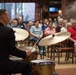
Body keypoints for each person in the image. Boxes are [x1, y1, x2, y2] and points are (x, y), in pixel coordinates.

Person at [0, 9, 31, 75]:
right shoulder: (8, 31)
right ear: (3, 17)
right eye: (7, 15)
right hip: (3, 64)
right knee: (26, 66)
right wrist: (24, 53)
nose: (9, 17)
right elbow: (12, 51)